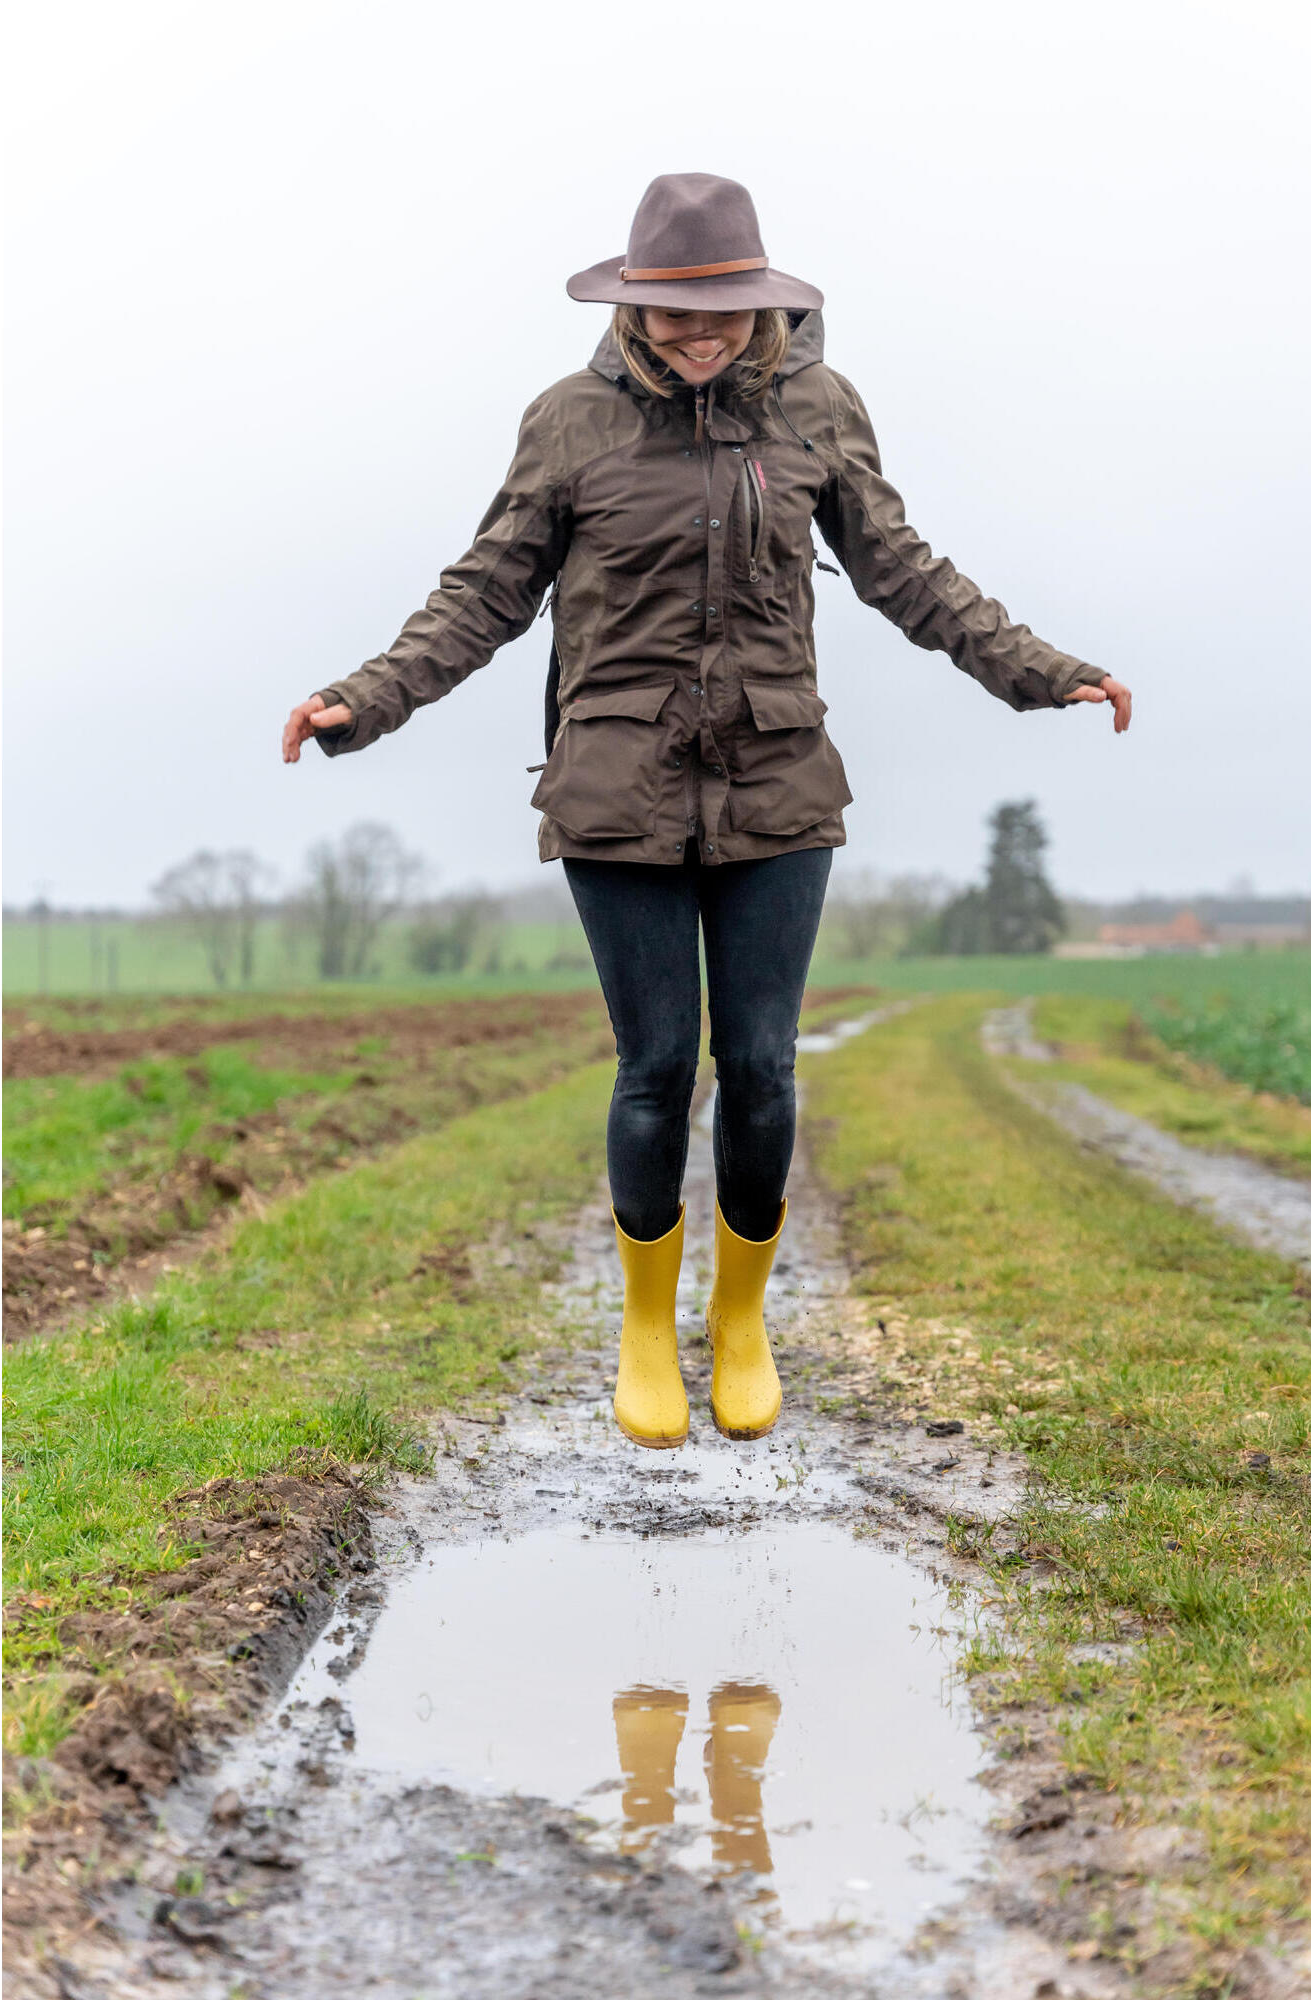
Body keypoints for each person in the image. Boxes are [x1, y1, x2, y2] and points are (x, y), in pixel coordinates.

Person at [282, 173, 1132, 1451]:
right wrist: (365, 698)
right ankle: (642, 1326)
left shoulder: (817, 409)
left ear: (761, 302)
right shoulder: (568, 421)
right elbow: (485, 591)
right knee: (654, 1066)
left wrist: (1040, 668)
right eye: (674, 316)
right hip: (616, 783)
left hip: (777, 778)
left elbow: (905, 569)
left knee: (766, 1065)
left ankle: (739, 1318)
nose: (699, 337)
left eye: (724, 315)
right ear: (631, 305)